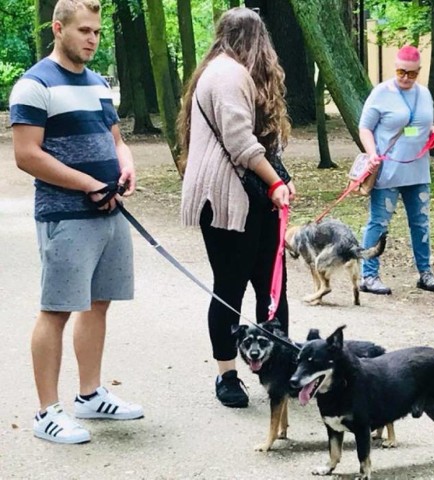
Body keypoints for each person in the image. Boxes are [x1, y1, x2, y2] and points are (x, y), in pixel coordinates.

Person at [9, 0, 143, 445]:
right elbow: (27, 155)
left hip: (110, 210)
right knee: (57, 310)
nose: (92, 39)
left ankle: (90, 394)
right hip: (65, 217)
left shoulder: (98, 83)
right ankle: (47, 412)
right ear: (58, 27)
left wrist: (126, 167)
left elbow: (115, 138)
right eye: (84, 31)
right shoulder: (33, 84)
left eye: (98, 32)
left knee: (99, 302)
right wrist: (87, 183)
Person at [178, 7, 294, 409]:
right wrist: (276, 182)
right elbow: (241, 144)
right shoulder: (227, 75)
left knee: (272, 288)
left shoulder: (223, 70)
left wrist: (280, 177)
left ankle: (283, 369)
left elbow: (258, 141)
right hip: (227, 202)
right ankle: (227, 376)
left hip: (252, 199)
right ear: (256, 40)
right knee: (230, 288)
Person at [358, 45, 434, 296]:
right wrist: (372, 153)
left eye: (412, 74)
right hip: (388, 172)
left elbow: (420, 127)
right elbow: (365, 127)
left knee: (421, 223)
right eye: (400, 72)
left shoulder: (424, 94)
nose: (406, 78)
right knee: (379, 222)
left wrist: (433, 133)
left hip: (418, 171)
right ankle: (369, 274)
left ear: (419, 71)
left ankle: (425, 272)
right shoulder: (380, 94)